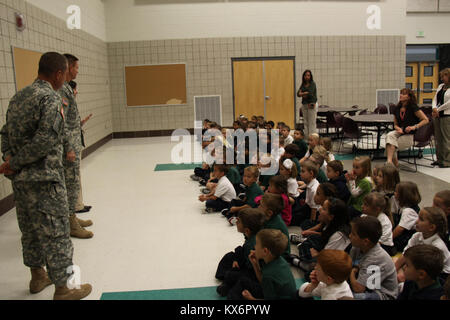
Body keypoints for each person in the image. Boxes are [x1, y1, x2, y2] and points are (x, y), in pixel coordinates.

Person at [0, 52, 91, 300]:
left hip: (21, 182)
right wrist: (15, 161)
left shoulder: (19, 97)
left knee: (29, 230)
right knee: (56, 232)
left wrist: (10, 162)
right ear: (59, 74)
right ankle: (64, 288)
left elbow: (5, 134)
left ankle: (38, 276)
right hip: (45, 181)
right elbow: (46, 140)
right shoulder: (49, 98)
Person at [59, 54, 93, 239]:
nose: (77, 71)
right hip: (67, 148)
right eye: (76, 67)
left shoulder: (65, 88)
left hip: (71, 144)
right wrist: (68, 147)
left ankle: (72, 217)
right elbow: (62, 122)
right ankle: (71, 224)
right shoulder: (61, 90)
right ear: (69, 67)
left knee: (72, 185)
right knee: (70, 185)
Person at [290, 197, 351, 273]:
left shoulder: (339, 235)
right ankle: (303, 242)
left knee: (316, 272)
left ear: (331, 217)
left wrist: (317, 255)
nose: (320, 209)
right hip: (325, 250)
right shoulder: (330, 223)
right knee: (312, 239)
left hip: (333, 261)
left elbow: (329, 259)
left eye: (324, 209)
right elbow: (322, 236)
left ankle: (301, 264)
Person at [216, 208, 266, 298]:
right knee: (230, 257)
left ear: (247, 230)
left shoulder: (252, 244)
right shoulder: (252, 234)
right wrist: (237, 259)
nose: (236, 222)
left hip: (254, 272)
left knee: (232, 274)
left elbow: (252, 268)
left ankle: (227, 284)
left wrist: (239, 263)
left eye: (238, 221)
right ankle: (227, 283)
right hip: (248, 260)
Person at [395, 207, 449, 285]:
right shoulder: (417, 236)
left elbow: (427, 272)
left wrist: (404, 273)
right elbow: (405, 254)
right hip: (418, 267)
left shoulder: (437, 246)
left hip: (438, 276)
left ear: (431, 227)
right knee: (395, 262)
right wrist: (394, 269)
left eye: (421, 219)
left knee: (402, 278)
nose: (416, 221)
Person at [349, 216, 399, 300]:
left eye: (353, 234)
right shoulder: (356, 247)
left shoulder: (376, 258)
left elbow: (359, 289)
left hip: (381, 294)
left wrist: (351, 272)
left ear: (365, 241)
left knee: (350, 297)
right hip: (365, 285)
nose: (350, 236)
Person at [241, 229, 297, 300]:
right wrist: (255, 264)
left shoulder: (268, 275)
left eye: (256, 244)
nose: (254, 246)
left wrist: (250, 298)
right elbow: (263, 280)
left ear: (265, 251)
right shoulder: (280, 260)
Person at [385, 88, 429, 167]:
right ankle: (390, 162)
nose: (401, 95)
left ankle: (392, 163)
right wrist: (397, 128)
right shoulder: (397, 108)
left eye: (404, 94)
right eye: (401, 93)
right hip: (400, 132)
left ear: (409, 97)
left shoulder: (413, 107)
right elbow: (395, 124)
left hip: (411, 135)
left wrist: (414, 127)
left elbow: (426, 120)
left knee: (390, 146)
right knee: (389, 136)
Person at [68, 80, 92, 214]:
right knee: (73, 177)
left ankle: (79, 204)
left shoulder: (72, 105)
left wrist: (82, 122)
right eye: (75, 89)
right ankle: (76, 206)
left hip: (76, 145)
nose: (76, 92)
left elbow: (73, 127)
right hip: (71, 148)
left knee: (76, 176)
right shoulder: (65, 104)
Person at [258, 193, 291, 261]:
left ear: (269, 213)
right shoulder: (268, 217)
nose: (258, 207)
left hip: (280, 255)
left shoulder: (274, 226)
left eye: (261, 206)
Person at [392, 181, 421, 253]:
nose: (394, 193)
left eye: (396, 192)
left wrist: (389, 239)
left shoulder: (408, 211)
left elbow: (400, 229)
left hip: (405, 239)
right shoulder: (405, 206)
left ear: (403, 196)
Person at [292, 160, 320, 227]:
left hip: (310, 211)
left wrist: (310, 224)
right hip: (307, 205)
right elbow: (306, 184)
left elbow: (314, 209)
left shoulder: (314, 190)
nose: (300, 173)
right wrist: (299, 188)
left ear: (311, 173)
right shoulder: (311, 181)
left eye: (303, 171)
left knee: (293, 219)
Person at [432, 68, 450, 168]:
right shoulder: (440, 86)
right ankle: (439, 159)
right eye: (441, 76)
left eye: (444, 76)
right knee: (438, 139)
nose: (442, 78)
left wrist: (437, 110)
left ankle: (447, 161)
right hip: (437, 115)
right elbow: (435, 98)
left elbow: (449, 103)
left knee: (446, 139)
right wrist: (434, 108)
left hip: (447, 115)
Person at [297, 69, 318, 138]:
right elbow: (298, 94)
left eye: (308, 75)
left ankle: (312, 138)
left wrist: (302, 93)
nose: (307, 77)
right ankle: (306, 137)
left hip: (311, 104)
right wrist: (304, 93)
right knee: (305, 122)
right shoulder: (303, 84)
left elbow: (310, 93)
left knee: (312, 122)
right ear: (303, 76)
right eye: (305, 75)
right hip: (304, 104)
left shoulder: (312, 84)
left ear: (310, 76)